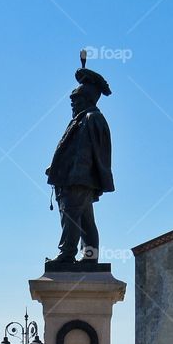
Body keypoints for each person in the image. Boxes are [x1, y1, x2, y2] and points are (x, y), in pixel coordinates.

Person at [45, 62, 114, 265]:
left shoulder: (93, 118)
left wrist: (79, 175)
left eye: (76, 100)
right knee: (85, 220)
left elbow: (95, 153)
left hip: (78, 179)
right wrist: (57, 168)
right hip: (73, 178)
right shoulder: (80, 119)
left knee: (72, 217)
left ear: (87, 99)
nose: (73, 103)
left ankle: (67, 255)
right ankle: (89, 258)